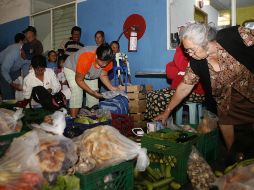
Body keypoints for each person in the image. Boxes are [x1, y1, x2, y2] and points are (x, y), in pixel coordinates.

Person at [155, 23, 254, 153]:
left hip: (250, 90)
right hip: (226, 102)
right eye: (187, 50)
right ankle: (232, 157)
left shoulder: (233, 35)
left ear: (205, 42)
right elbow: (184, 87)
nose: (189, 54)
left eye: (192, 49)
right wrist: (167, 111)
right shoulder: (196, 62)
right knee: (232, 146)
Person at [145, 45, 205, 120]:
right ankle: (152, 124)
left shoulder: (196, 52)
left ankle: (160, 126)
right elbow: (170, 73)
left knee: (158, 97)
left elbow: (183, 68)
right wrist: (180, 73)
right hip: (177, 88)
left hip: (197, 92)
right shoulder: (181, 48)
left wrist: (180, 72)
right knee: (150, 95)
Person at [64, 44, 118, 118]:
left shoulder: (108, 60)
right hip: (72, 68)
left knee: (94, 98)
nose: (104, 64)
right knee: (77, 91)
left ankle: (91, 120)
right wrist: (92, 92)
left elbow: (103, 75)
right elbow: (79, 80)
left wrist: (112, 88)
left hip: (90, 72)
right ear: (96, 56)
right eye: (102, 62)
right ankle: (73, 120)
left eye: (107, 62)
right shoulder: (86, 56)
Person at [0, 33, 30, 100]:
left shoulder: (28, 56)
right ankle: (7, 106)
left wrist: (25, 84)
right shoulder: (13, 52)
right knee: (7, 90)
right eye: (25, 55)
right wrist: (12, 84)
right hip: (2, 67)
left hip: (14, 69)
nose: (26, 58)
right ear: (21, 50)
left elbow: (25, 71)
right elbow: (4, 69)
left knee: (18, 86)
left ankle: (14, 105)